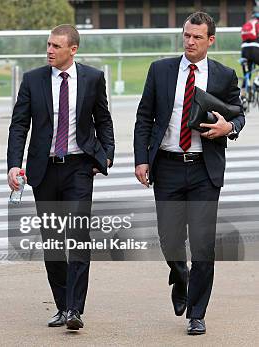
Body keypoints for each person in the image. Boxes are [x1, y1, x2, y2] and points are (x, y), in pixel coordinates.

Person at [134, 12, 244, 335]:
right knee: (169, 240)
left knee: (203, 245)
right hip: (166, 166)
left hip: (204, 170)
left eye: (197, 37)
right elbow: (144, 117)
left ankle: (197, 313)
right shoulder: (160, 70)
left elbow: (238, 115)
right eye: (186, 35)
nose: (190, 42)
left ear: (211, 40)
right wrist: (142, 159)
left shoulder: (225, 76)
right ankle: (179, 274)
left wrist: (229, 127)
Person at [7, 24, 114, 331]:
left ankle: (75, 309)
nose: (50, 50)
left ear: (73, 50)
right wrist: (14, 164)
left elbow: (103, 119)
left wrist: (106, 154)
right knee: (53, 242)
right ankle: (62, 305)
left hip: (79, 167)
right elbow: (19, 126)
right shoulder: (33, 80)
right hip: (44, 169)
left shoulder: (93, 78)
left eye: (56, 46)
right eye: (48, 45)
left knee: (78, 237)